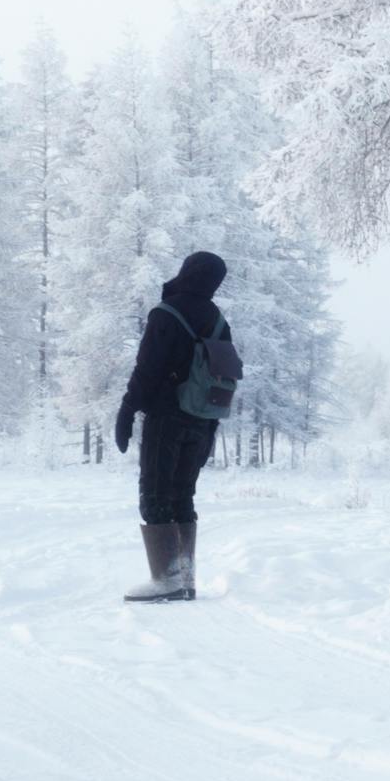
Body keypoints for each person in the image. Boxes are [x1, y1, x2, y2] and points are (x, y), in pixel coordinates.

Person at [113, 250, 231, 602]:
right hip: (203, 421)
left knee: (155, 492)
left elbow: (147, 368)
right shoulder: (218, 319)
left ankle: (167, 580)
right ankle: (185, 579)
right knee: (182, 493)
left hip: (166, 417)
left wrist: (127, 409)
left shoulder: (167, 313)